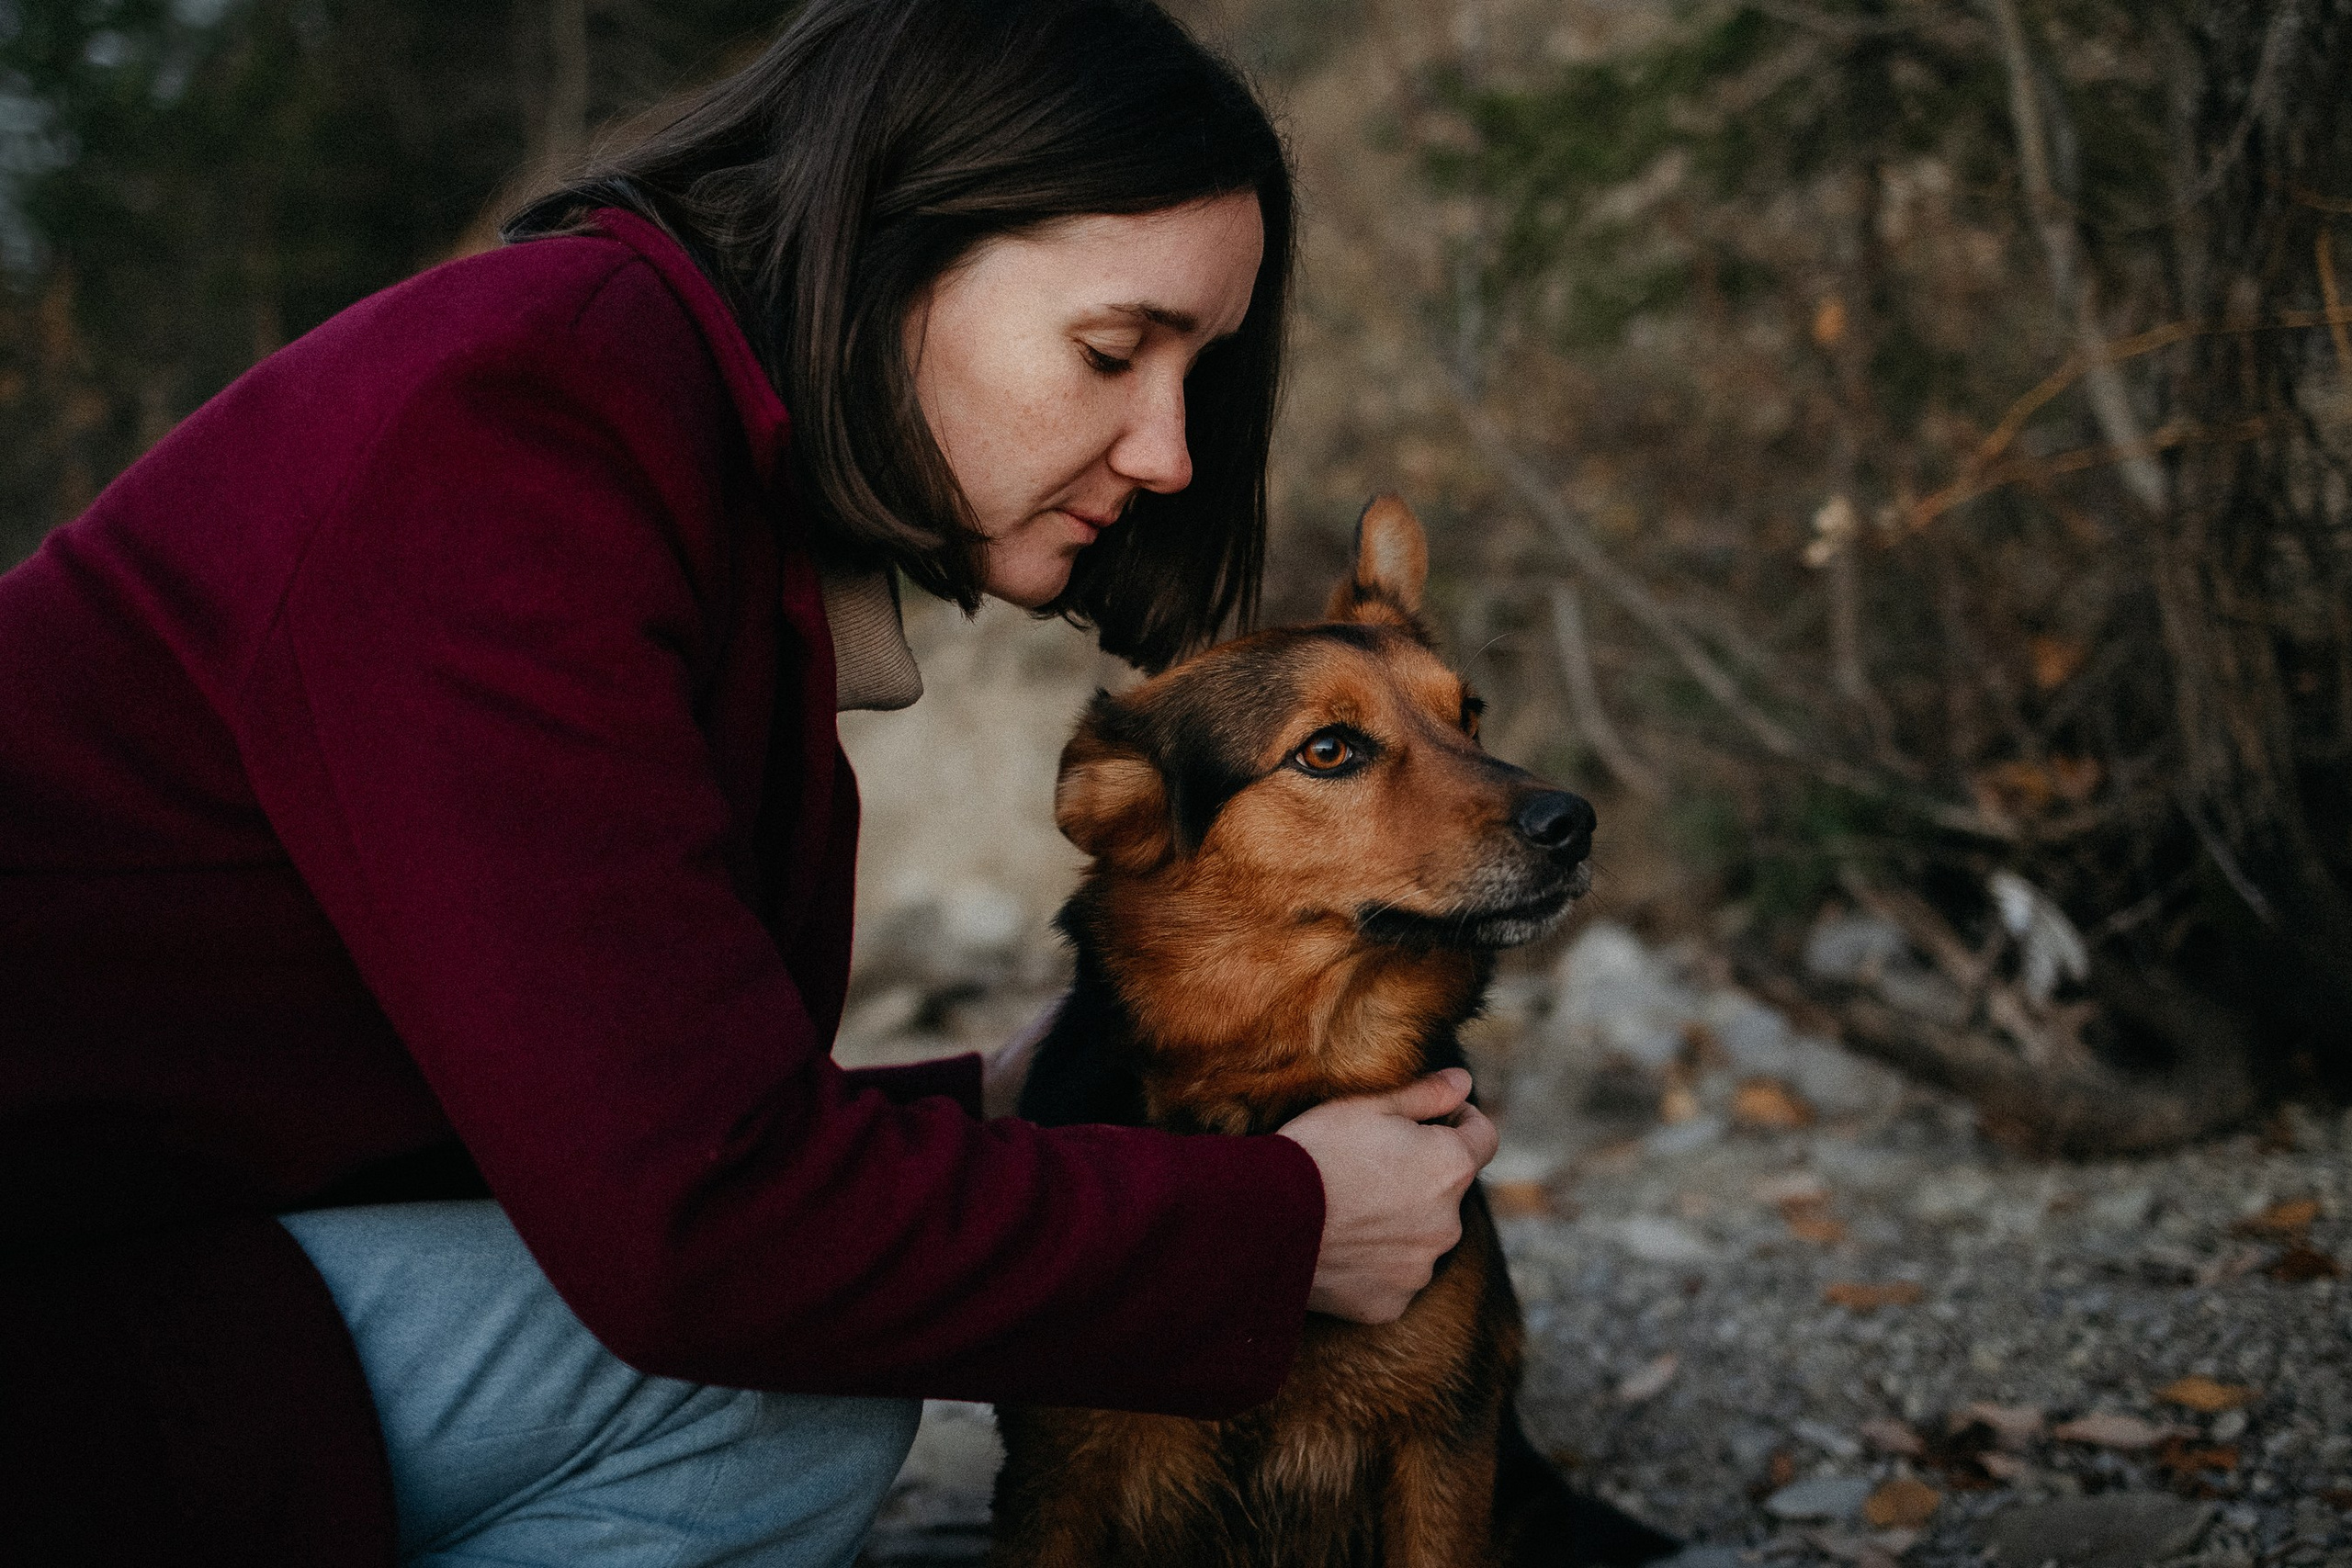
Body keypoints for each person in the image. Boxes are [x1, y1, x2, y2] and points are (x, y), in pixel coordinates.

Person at [0, 1, 1500, 1563]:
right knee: (768, 1391)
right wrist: (1283, 1232)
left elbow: (584, 1086)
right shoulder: (512, 444)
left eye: (1200, 370)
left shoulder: (655, 445)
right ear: (888, 249)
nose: (1171, 451)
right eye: (1114, 351)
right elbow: (694, 1230)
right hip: (56, 1318)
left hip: (120, 1244)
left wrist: (992, 1105)